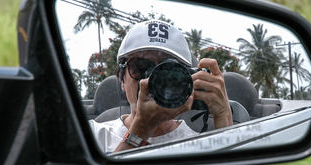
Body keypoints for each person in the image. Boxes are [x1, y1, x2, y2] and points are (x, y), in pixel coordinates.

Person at [89, 20, 232, 153]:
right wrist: (141, 129)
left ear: (188, 79)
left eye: (169, 70)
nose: (153, 79)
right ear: (122, 79)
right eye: (140, 66)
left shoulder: (202, 145)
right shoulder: (93, 135)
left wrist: (224, 118)